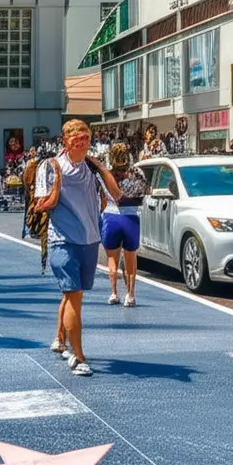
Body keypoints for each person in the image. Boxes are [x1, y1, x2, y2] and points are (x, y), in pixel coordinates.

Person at [35, 119, 121, 377]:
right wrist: (54, 193)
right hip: (62, 239)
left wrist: (102, 169)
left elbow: (116, 195)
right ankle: (78, 355)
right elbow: (41, 203)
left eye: (86, 138)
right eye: (76, 139)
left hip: (89, 240)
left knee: (73, 295)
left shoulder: (92, 168)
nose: (82, 143)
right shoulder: (51, 166)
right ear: (65, 141)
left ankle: (60, 338)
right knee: (74, 295)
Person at [100, 142, 147, 308]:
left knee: (112, 258)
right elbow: (144, 191)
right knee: (130, 259)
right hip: (131, 217)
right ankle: (131, 295)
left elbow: (101, 195)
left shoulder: (106, 174)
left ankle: (113, 293)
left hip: (111, 216)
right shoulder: (137, 173)